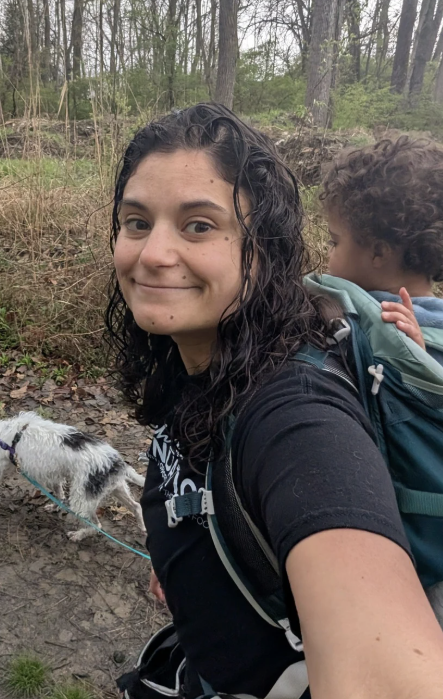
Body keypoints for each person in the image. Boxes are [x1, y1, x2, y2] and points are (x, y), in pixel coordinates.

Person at [105, 104, 443, 699]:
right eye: (136, 222)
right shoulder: (201, 356)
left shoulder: (298, 417)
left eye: (198, 226)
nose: (152, 253)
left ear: (262, 250)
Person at [319, 136, 443, 363]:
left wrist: (419, 366)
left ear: (379, 253)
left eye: (334, 243)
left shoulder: (364, 317)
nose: (328, 254)